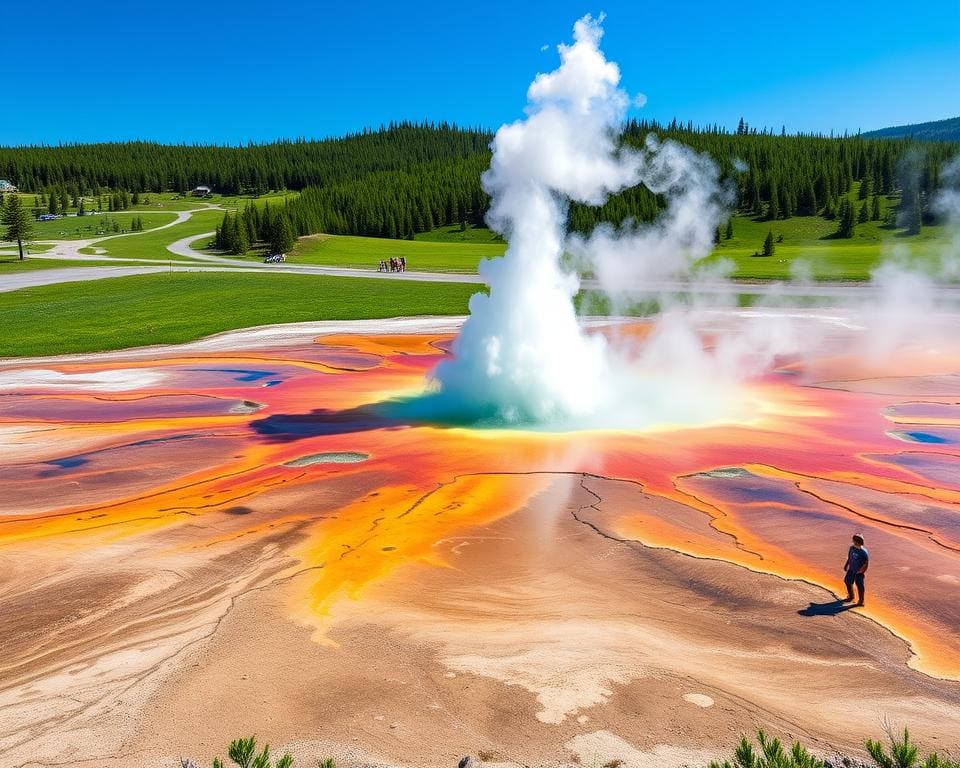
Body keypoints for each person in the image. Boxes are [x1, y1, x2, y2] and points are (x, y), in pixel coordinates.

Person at [842, 533, 869, 606]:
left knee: (860, 586)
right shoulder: (851, 548)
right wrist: (846, 565)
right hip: (851, 569)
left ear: (857, 542)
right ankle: (851, 597)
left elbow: (866, 564)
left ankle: (861, 601)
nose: (853, 541)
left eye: (853, 540)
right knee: (847, 582)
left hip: (858, 572)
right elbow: (849, 557)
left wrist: (861, 571)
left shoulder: (863, 552)